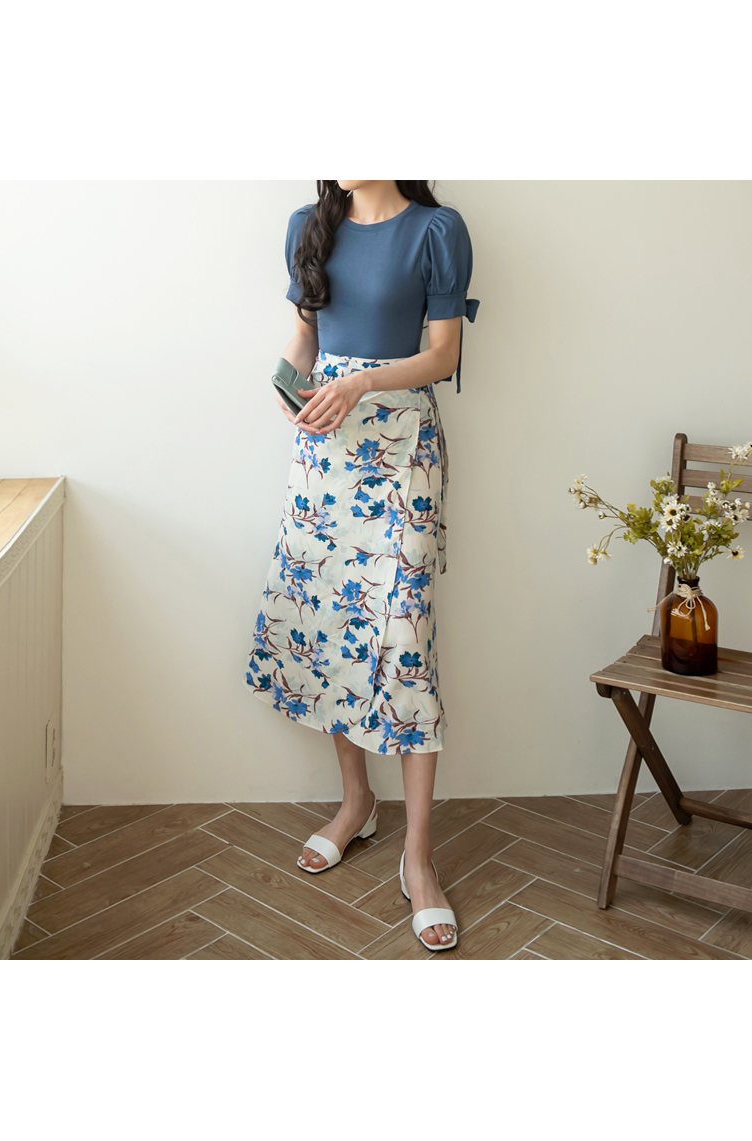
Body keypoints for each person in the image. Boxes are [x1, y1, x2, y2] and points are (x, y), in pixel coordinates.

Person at [246, 180, 477, 952]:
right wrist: (287, 383)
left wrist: (362, 381)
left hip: (403, 450)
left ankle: (420, 857)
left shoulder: (436, 231)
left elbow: (443, 354)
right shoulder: (307, 226)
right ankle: (356, 804)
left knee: (404, 644)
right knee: (329, 627)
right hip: (326, 454)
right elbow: (305, 338)